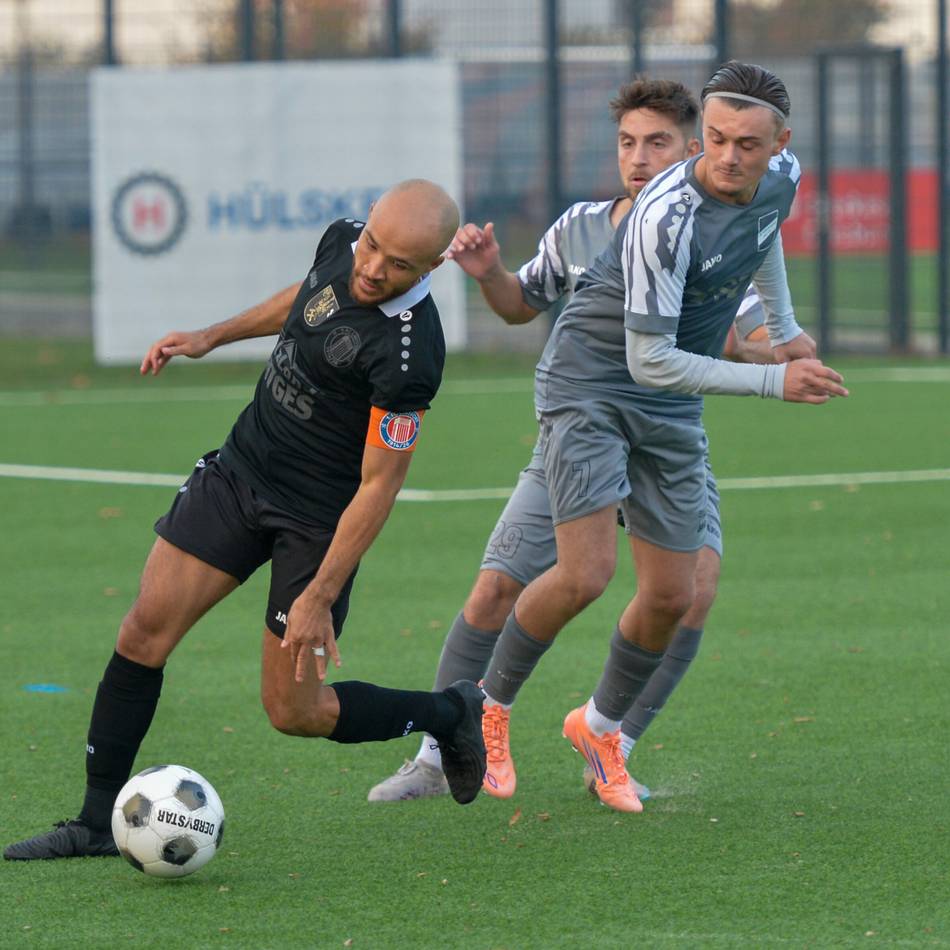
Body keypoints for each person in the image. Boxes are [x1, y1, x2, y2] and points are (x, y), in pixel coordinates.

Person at [5, 179, 487, 862]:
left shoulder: (409, 354)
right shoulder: (343, 239)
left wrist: (319, 594)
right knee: (143, 631)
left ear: (432, 268)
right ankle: (91, 823)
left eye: (399, 263)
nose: (373, 267)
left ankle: (450, 712)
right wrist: (212, 335)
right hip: (241, 471)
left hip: (316, 522)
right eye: (373, 245)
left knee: (295, 712)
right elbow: (306, 305)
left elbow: (380, 486)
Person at [368, 79, 774, 805]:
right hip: (581, 428)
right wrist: (491, 272)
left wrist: (779, 352)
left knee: (691, 594)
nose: (640, 158)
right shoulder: (582, 225)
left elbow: (751, 331)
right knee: (498, 584)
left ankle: (611, 745)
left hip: (667, 432)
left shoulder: (712, 230)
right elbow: (523, 306)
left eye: (657, 143)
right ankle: (436, 753)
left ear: (691, 148)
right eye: (627, 143)